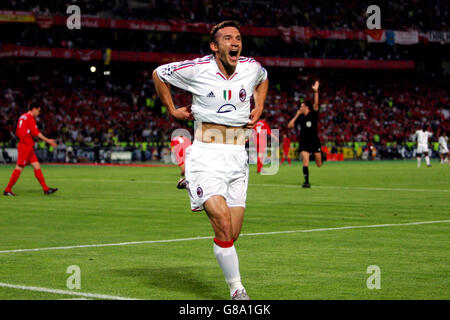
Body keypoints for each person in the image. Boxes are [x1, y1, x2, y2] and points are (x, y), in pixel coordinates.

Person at [153, 20, 268, 300]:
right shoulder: (196, 69)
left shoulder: (251, 67)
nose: (235, 43)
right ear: (215, 46)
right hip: (206, 154)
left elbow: (263, 77)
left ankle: (192, 184)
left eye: (238, 38)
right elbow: (159, 74)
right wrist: (171, 109)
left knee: (231, 234)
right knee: (221, 222)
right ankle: (237, 290)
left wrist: (260, 105)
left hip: (237, 157)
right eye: (228, 38)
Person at [4, 102, 58, 196]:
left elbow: (18, 131)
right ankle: (7, 190)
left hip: (26, 145)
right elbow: (35, 132)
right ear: (34, 109)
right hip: (26, 146)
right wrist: (48, 140)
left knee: (37, 165)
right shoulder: (30, 118)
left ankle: (46, 189)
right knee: (19, 167)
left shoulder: (22, 116)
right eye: (39, 110)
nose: (39, 112)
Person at [287, 81, 322, 188]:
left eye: (302, 107)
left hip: (315, 141)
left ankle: (319, 156)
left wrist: (316, 92)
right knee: (305, 161)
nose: (300, 108)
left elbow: (316, 105)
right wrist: (297, 115)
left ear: (306, 107)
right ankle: (306, 181)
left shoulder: (313, 115)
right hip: (304, 142)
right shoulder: (300, 117)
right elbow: (290, 125)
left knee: (319, 164)